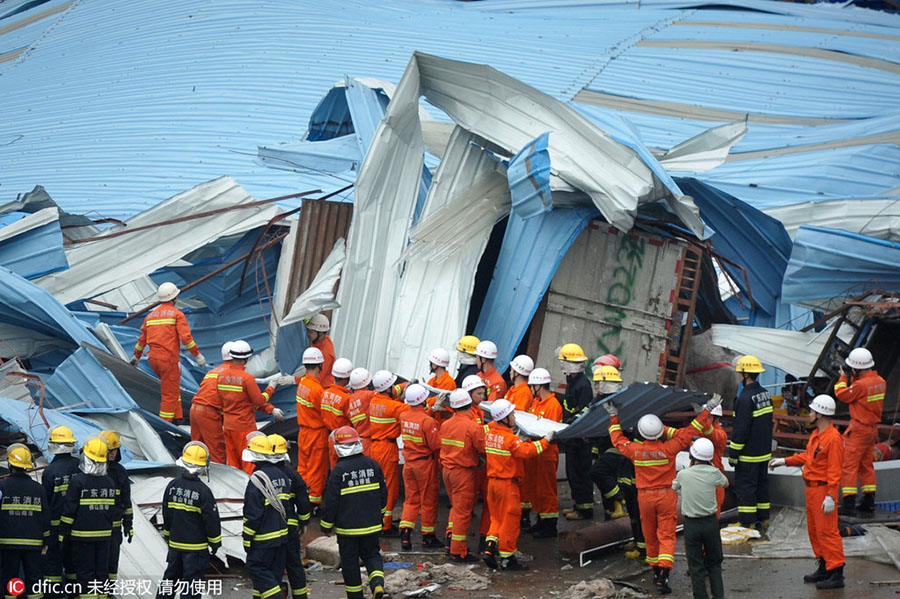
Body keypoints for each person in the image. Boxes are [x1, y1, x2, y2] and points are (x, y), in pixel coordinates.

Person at [605, 395, 718, 594]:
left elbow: (617, 440)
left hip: (645, 497)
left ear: (640, 433)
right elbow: (690, 432)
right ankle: (664, 574)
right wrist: (707, 409)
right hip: (666, 496)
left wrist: (614, 416)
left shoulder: (635, 451)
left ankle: (656, 570)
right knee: (666, 535)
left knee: (650, 533)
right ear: (660, 432)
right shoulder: (669, 448)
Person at [770, 395, 845, 589]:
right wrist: (785, 461)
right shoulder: (818, 435)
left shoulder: (833, 439)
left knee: (828, 532)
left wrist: (830, 496)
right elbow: (808, 457)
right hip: (812, 490)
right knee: (815, 531)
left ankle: (836, 573)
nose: (809, 414)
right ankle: (824, 567)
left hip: (822, 491)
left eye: (812, 411)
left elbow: (835, 471)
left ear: (819, 414)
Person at [481, 399, 552, 571]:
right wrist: (546, 441)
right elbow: (528, 452)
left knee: (496, 519)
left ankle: (490, 547)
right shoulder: (510, 440)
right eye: (511, 414)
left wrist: (518, 440)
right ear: (504, 418)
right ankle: (508, 558)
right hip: (507, 486)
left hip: (492, 485)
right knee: (510, 522)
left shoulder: (490, 434)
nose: (514, 416)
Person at [320, 427, 387, 599]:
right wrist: (379, 515)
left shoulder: (338, 471)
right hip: (371, 525)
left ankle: (355, 596)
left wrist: (326, 525)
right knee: (372, 554)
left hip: (347, 530)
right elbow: (383, 494)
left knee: (350, 564)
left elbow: (332, 502)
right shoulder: (373, 465)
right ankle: (377, 584)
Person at [131, 282, 206, 422]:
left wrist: (136, 356)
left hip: (153, 359)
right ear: (175, 298)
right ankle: (167, 424)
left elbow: (142, 340)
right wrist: (197, 355)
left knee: (173, 389)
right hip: (168, 360)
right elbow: (186, 338)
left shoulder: (150, 316)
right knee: (169, 394)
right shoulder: (177, 314)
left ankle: (178, 418)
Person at [158, 442, 221, 599]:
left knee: (170, 580)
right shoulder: (204, 492)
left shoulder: (172, 486)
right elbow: (211, 520)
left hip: (175, 546)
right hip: (196, 549)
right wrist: (215, 543)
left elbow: (167, 514)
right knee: (191, 586)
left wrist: (168, 535)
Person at [60, 437, 117, 598]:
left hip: (82, 536)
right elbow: (112, 511)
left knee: (85, 573)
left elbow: (69, 511)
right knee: (101, 572)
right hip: (104, 536)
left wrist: (62, 533)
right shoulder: (110, 482)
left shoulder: (78, 481)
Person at [673, 438, 728, 599]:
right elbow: (725, 484)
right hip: (710, 523)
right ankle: (719, 596)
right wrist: (712, 468)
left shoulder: (683, 474)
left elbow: (673, 486)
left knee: (696, 566)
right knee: (714, 564)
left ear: (692, 456)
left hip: (691, 525)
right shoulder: (714, 473)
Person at [219, 340, 284, 473]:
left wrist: (271, 409)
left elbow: (236, 401)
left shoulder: (221, 376)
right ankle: (250, 489)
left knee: (233, 463)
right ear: (246, 359)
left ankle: (237, 491)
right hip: (244, 427)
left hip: (228, 426)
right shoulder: (246, 378)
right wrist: (271, 387)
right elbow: (259, 401)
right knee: (249, 460)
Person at [834, 347, 885, 516]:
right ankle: (869, 501)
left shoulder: (860, 385)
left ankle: (848, 504)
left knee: (848, 466)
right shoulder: (880, 382)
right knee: (866, 465)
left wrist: (843, 377)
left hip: (859, 430)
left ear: (856, 368)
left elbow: (842, 394)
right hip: (872, 431)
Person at [242, 435, 291, 599]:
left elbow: (253, 514)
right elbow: (288, 508)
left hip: (262, 539)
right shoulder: (282, 476)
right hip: (281, 538)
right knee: (274, 575)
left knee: (257, 569)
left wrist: (247, 538)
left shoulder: (256, 480)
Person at [440, 388, 486, 562]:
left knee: (456, 508)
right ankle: (458, 551)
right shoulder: (472, 426)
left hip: (448, 471)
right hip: (463, 473)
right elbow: (482, 448)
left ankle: (450, 540)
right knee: (463, 512)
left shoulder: (446, 425)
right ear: (469, 405)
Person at [728, 354, 773, 530]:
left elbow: (741, 430)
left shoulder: (745, 399)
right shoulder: (765, 394)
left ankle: (747, 521)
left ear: (746, 374)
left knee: (746, 488)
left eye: (740, 372)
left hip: (748, 455)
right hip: (763, 453)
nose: (738, 375)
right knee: (762, 485)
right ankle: (763, 518)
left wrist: (733, 453)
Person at [0, 444, 49, 599]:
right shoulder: (39, 489)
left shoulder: (2, 486)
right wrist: (46, 540)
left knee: (11, 578)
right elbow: (45, 518)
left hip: (8, 544)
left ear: (10, 464)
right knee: (34, 579)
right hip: (33, 544)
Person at [398, 384, 443, 550]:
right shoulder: (428, 421)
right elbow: (435, 444)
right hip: (425, 464)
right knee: (428, 501)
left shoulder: (404, 415)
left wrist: (430, 411)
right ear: (423, 400)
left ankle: (405, 533)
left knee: (411, 500)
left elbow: (417, 420)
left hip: (409, 463)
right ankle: (428, 536)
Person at [368, 370, 410, 535]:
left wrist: (407, 386)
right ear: (388, 388)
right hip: (387, 449)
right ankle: (386, 525)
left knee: (378, 486)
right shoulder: (394, 406)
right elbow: (416, 408)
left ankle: (378, 519)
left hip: (376, 447)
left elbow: (395, 391)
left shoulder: (374, 400)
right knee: (390, 488)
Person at [270, 434, 312, 599]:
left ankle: (277, 593)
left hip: (271, 528)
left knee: (273, 565)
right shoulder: (292, 475)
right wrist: (304, 520)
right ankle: (300, 596)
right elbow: (303, 501)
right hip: (290, 526)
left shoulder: (262, 474)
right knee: (294, 564)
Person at [41, 425, 82, 593]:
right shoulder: (80, 466)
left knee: (53, 563)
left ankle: (54, 594)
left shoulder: (50, 472)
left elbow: (46, 503)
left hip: (56, 527)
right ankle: (75, 593)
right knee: (73, 563)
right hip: (78, 526)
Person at [523, 367, 562, 538]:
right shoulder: (537, 402)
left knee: (547, 490)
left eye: (532, 386)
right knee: (537, 489)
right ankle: (541, 520)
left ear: (539, 386)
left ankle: (549, 526)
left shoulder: (553, 405)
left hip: (546, 453)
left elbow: (549, 431)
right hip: (537, 452)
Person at [559, 343, 594, 521]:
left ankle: (585, 509)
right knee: (572, 473)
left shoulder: (583, 385)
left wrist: (571, 424)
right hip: (572, 435)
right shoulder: (572, 382)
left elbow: (584, 411)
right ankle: (577, 505)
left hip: (580, 438)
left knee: (581, 473)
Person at [589, 365, 628, 522]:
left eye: (599, 383)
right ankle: (611, 518)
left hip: (617, 447)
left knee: (597, 472)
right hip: (605, 446)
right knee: (607, 483)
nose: (596, 386)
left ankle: (621, 501)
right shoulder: (600, 401)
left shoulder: (619, 402)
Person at [294, 346, 329, 508]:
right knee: (317, 470)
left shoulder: (303, 383)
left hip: (303, 432)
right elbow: (326, 415)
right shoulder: (317, 390)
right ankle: (313, 504)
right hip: (316, 434)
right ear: (320, 366)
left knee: (303, 467)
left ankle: (301, 497)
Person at [188, 341, 233, 464]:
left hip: (194, 410)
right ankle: (220, 479)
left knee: (196, 450)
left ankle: (193, 475)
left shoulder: (213, 371)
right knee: (217, 451)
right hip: (208, 412)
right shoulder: (233, 374)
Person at [98, 431, 132, 585]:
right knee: (97, 563)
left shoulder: (120, 472)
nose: (113, 453)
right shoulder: (94, 471)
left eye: (115, 450)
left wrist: (128, 524)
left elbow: (126, 502)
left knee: (112, 563)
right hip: (96, 527)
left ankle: (108, 591)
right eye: (110, 450)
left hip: (114, 527)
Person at [462, 374, 491, 546]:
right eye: (479, 394)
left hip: (479, 463)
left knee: (487, 501)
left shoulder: (478, 411)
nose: (483, 397)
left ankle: (485, 537)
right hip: (475, 463)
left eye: (483, 393)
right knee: (466, 504)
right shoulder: (469, 414)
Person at [505, 355, 534, 524]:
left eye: (511, 369)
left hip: (516, 439)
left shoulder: (523, 393)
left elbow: (518, 419)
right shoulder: (513, 390)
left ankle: (523, 515)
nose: (509, 372)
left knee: (520, 479)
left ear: (517, 372)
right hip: (509, 437)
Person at [322, 358, 355, 467]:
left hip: (331, 438)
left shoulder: (325, 393)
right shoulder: (346, 399)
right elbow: (354, 420)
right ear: (347, 379)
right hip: (345, 440)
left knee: (336, 470)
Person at [703, 404, 728, 516]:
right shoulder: (703, 430)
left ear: (716, 418)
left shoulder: (720, 434)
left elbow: (712, 434)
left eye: (709, 417)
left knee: (714, 509)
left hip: (714, 475)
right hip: (700, 473)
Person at [347, 368, 376, 456]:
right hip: (369, 443)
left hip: (359, 443)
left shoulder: (351, 398)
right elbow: (384, 394)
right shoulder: (367, 395)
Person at [425, 348, 456, 422]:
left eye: (431, 362)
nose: (430, 365)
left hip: (441, 422)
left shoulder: (449, 382)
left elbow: (448, 409)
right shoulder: (432, 381)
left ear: (436, 364)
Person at [307, 313, 336, 388]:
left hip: (322, 388)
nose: (308, 334)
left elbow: (315, 378)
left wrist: (294, 379)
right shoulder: (323, 340)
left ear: (320, 333)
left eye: (311, 332)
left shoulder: (325, 354)